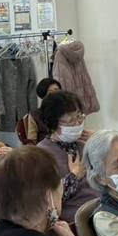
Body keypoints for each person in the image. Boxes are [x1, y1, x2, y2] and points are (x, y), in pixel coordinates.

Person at [37, 91, 98, 223]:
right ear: (52, 124)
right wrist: (75, 176)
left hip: (99, 208)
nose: (77, 124)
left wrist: (98, 139)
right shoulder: (41, 154)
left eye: (79, 117)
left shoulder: (83, 144)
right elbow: (47, 201)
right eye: (70, 121)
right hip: (76, 218)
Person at [20, 77, 62, 144]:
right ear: (43, 95)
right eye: (50, 92)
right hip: (44, 147)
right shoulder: (35, 115)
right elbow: (32, 140)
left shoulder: (66, 111)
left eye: (56, 90)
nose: (54, 94)